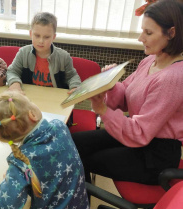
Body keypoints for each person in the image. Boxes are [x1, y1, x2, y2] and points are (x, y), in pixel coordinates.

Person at [72, 0, 183, 186]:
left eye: (148, 33)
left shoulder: (172, 78)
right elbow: (125, 96)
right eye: (142, 31)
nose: (141, 38)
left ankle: (77, 203)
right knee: (73, 144)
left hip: (153, 156)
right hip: (138, 135)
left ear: (171, 34)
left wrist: (102, 109)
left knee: (78, 158)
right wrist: (111, 84)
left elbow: (140, 133)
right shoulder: (150, 61)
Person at [0, 91, 89, 209]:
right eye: (30, 101)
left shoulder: (20, 164)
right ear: (32, 115)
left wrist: (9, 179)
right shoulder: (60, 126)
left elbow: (4, 207)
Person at [7, 12, 81, 94]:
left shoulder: (64, 57)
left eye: (46, 37)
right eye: (37, 36)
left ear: (53, 37)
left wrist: (75, 87)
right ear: (31, 34)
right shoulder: (23, 53)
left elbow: (72, 77)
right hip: (29, 97)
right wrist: (15, 83)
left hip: (54, 99)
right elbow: (12, 71)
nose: (41, 41)